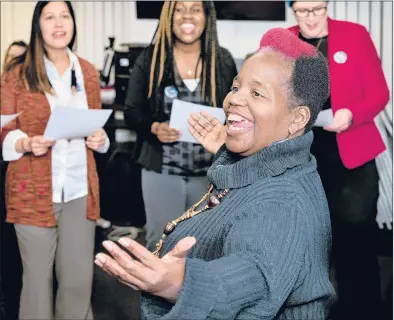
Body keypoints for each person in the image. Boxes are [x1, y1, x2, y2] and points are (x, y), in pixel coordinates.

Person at [95, 27, 335, 319]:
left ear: (297, 119)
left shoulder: (283, 203)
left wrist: (180, 284)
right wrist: (228, 151)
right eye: (236, 88)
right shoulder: (278, 162)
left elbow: (253, 273)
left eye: (257, 93)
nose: (233, 100)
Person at [0, 2, 110, 319]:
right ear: (38, 25)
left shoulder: (87, 71)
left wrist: (100, 138)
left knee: (77, 283)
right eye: (50, 17)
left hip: (79, 190)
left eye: (65, 16)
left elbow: (95, 124)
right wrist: (24, 142)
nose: (59, 23)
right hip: (31, 191)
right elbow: (3, 130)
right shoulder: (17, 75)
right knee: (37, 282)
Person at [287, 2, 390, 319]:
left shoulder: (354, 35)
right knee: (308, 240)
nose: (312, 17)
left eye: (317, 8)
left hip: (352, 155)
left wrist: (351, 114)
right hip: (303, 157)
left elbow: (379, 93)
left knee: (355, 240)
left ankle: (362, 310)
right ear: (292, 10)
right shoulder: (281, 40)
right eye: (303, 10)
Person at [123, 0, 237, 252]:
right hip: (161, 171)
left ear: (207, 16)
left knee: (204, 248)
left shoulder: (223, 60)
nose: (187, 16)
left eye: (195, 9)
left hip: (209, 174)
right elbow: (131, 111)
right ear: (168, 16)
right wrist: (154, 127)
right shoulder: (151, 59)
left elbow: (236, 110)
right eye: (179, 9)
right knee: (161, 245)